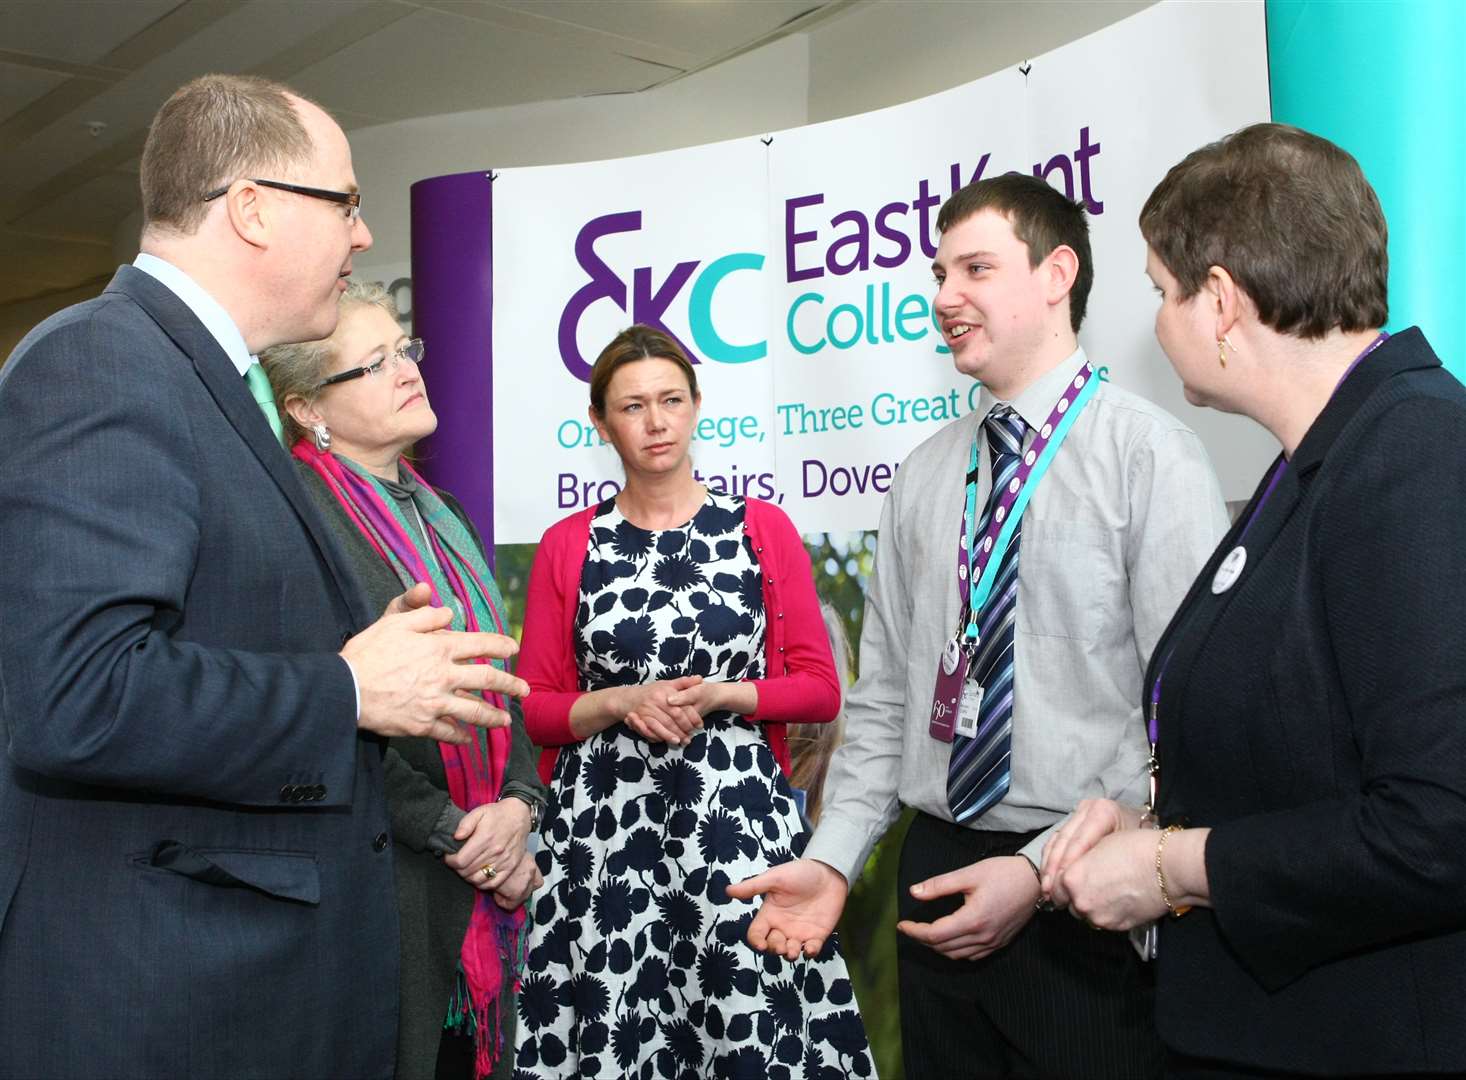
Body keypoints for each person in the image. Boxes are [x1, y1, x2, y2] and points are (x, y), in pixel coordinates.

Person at [0, 75, 526, 1080]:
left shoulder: (211, 384)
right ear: (252, 207)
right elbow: (77, 697)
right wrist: (349, 690)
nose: (363, 237)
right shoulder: (101, 363)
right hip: (168, 1001)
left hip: (247, 988)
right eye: (347, 205)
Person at [729, 173, 1229, 1079]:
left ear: (1056, 274)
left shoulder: (1151, 458)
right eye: (937, 273)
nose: (943, 297)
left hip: (1090, 889)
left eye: (975, 269)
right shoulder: (923, 476)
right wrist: (834, 861)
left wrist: (1040, 873)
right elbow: (881, 705)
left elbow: (1187, 717)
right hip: (934, 875)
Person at [1043, 122, 1466, 1077]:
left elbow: (1439, 827)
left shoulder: (1414, 459)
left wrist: (1169, 870)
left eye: (1160, 292)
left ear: (1223, 301)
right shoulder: (1319, 461)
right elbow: (1308, 757)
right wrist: (1156, 827)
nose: (1156, 320)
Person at [513, 325, 876, 1079]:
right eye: (634, 405)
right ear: (601, 422)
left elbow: (818, 686)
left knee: (750, 1021)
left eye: (672, 400)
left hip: (734, 818)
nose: (656, 421)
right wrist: (618, 701)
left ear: (698, 406)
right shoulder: (568, 544)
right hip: (605, 835)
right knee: (621, 1027)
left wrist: (720, 695)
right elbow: (541, 708)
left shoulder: (759, 529)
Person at [261, 282, 547, 1080]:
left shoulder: (442, 512)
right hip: (387, 878)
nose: (407, 370)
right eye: (375, 362)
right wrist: (459, 831)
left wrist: (520, 809)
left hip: (484, 865)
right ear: (308, 408)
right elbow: (320, 707)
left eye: (406, 350)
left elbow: (499, 682)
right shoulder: (296, 522)